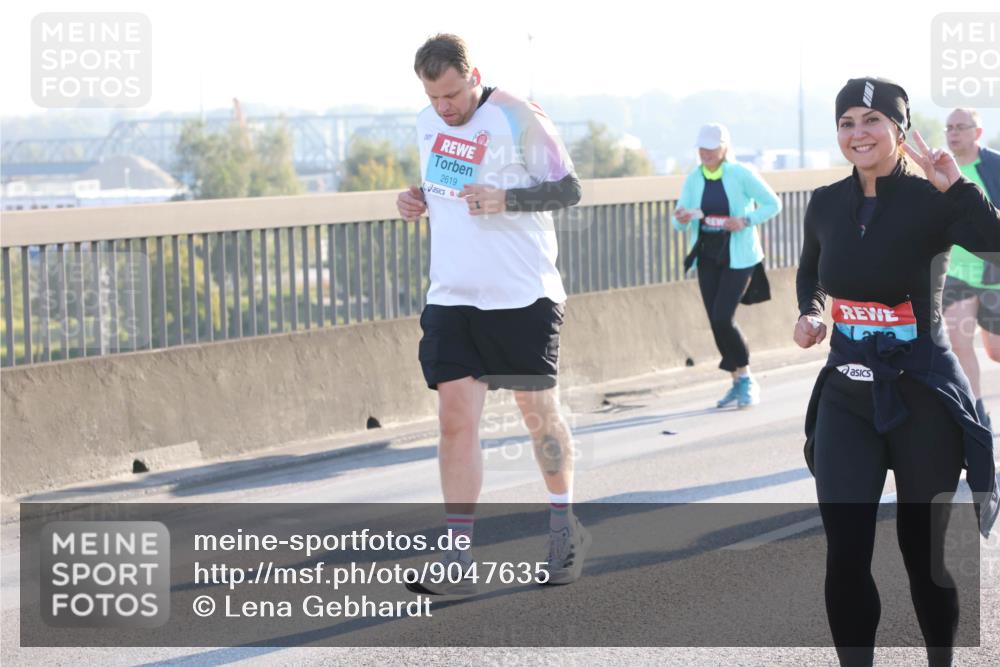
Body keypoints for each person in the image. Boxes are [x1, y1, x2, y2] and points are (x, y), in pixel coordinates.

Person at [795, 77, 1000, 667]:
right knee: (846, 552)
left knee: (922, 553)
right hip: (847, 390)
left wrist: (957, 187)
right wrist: (811, 313)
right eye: (847, 123)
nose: (858, 133)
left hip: (923, 391)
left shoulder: (934, 197)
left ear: (900, 130)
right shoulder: (825, 203)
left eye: (872, 120)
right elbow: (812, 274)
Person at [395, 34, 589, 597]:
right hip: (452, 295)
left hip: (522, 293)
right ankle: (458, 558)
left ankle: (564, 529)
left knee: (538, 415)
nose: (444, 107)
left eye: (453, 94)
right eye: (434, 97)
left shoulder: (518, 115)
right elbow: (445, 186)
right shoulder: (427, 123)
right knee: (454, 421)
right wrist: (416, 198)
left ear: (474, 76)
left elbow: (569, 189)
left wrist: (508, 200)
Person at [672, 123, 781, 408]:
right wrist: (680, 218)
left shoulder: (741, 173)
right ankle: (736, 380)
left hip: (739, 256)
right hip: (707, 256)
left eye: (711, 147)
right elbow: (678, 221)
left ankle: (746, 378)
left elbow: (773, 204)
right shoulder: (694, 178)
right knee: (715, 321)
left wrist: (745, 220)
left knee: (723, 317)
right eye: (702, 147)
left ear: (724, 148)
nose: (706, 153)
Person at [941, 108, 1000, 430]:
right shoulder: (938, 169)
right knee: (959, 343)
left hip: (994, 273)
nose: (953, 133)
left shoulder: (994, 166)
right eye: (949, 127)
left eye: (960, 127)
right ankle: (978, 417)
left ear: (977, 132)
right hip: (956, 272)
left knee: (996, 351)